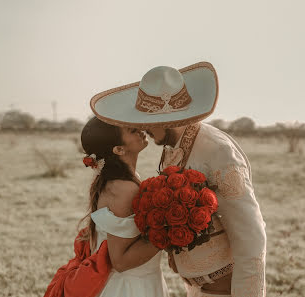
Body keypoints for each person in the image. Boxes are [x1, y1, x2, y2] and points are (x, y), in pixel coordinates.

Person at [90, 61, 267, 297]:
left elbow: (251, 234)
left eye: (147, 122)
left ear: (168, 120)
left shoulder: (217, 150)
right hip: (195, 288)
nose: (142, 129)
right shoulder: (171, 148)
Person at [45, 117, 170, 297]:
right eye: (132, 130)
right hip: (129, 287)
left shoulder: (124, 179)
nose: (140, 128)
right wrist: (170, 232)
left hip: (142, 279)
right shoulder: (122, 189)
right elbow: (120, 262)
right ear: (119, 149)